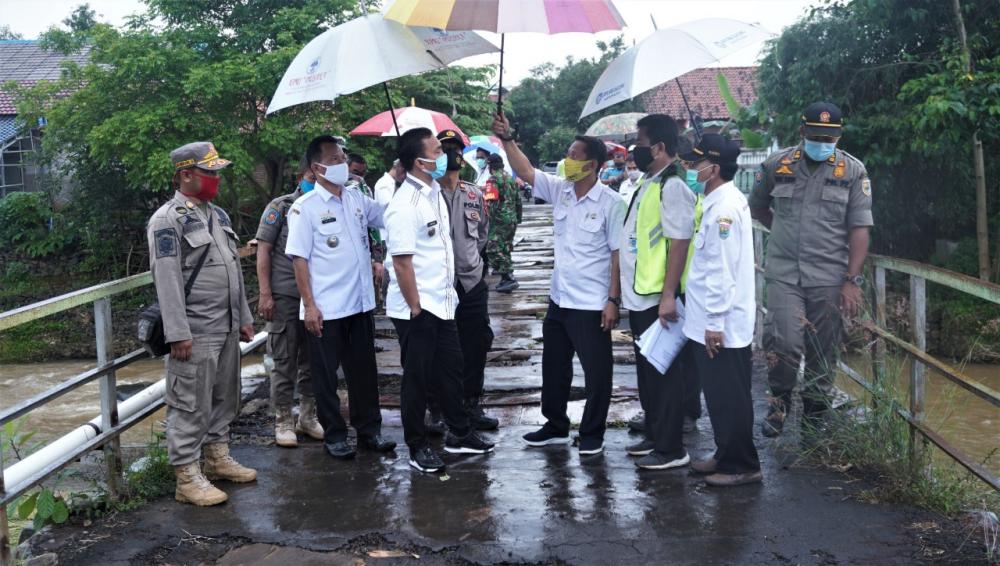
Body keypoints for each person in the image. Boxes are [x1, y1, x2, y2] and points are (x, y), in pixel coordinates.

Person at [492, 113, 626, 456]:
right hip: (559, 299)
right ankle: (555, 425)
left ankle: (593, 433)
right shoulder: (562, 190)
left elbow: (618, 255)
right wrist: (507, 139)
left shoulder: (612, 203)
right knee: (554, 367)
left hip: (591, 304)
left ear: (592, 164)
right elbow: (526, 172)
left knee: (597, 373)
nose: (568, 160)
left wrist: (613, 300)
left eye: (573, 155)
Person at [749, 102, 873, 437]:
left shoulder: (852, 171)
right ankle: (779, 404)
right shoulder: (776, 165)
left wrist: (852, 280)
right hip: (784, 272)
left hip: (830, 275)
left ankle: (815, 416)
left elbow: (860, 228)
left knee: (823, 348)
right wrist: (781, 232)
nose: (822, 142)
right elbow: (757, 206)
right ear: (802, 131)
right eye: (816, 136)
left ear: (839, 136)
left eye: (829, 138)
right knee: (784, 341)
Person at [147, 141, 257, 506]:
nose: (216, 178)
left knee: (225, 396)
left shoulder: (218, 215)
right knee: (189, 404)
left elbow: (233, 270)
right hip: (195, 329)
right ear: (185, 175)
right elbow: (166, 279)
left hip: (226, 325)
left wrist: (244, 317)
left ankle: (217, 457)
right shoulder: (167, 220)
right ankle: (186, 477)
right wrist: (177, 333)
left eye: (216, 171)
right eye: (209, 172)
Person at [384, 127, 495, 473]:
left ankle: (459, 434)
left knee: (452, 369)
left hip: (444, 302)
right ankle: (417, 446)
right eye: (437, 150)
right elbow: (401, 263)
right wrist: (416, 308)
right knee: (417, 378)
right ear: (420, 162)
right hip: (418, 308)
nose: (444, 155)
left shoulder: (433, 194)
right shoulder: (405, 204)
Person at [285, 135, 396, 460]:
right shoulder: (305, 208)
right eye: (334, 160)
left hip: (360, 304)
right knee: (326, 377)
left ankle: (369, 431)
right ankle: (334, 435)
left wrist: (405, 181)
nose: (342, 164)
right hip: (327, 308)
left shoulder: (356, 198)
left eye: (342, 158)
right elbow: (299, 260)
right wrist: (310, 306)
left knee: (364, 372)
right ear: (317, 168)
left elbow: (388, 215)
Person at [679, 134, 762, 487]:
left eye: (695, 163)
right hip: (712, 319)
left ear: (712, 169)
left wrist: (714, 322)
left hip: (720, 324)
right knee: (719, 394)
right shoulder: (715, 201)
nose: (690, 168)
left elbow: (721, 270)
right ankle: (725, 453)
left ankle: (741, 465)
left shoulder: (723, 209)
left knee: (729, 395)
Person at [619, 114, 697, 471]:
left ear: (660, 147)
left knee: (664, 374)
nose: (635, 149)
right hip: (642, 294)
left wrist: (668, 295)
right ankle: (654, 434)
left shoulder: (673, 186)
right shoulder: (650, 182)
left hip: (658, 298)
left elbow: (680, 242)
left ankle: (671, 448)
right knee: (649, 373)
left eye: (640, 142)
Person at [256, 159, 323, 448]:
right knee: (284, 360)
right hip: (286, 296)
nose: (315, 182)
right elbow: (263, 251)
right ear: (300, 177)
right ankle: (283, 419)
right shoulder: (281, 207)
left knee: (314, 360)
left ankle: (307, 416)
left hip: (318, 297)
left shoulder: (327, 206)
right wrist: (265, 294)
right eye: (311, 177)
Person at [437, 129, 500, 431]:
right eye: (445, 148)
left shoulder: (474, 193)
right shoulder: (427, 194)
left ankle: (471, 404)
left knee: (476, 345)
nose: (452, 153)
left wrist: (473, 264)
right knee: (440, 350)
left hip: (472, 282)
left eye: (456, 148)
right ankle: (438, 408)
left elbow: (482, 235)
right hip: (439, 286)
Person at [346, 152, 388, 308]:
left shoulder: (365, 190)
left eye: (363, 173)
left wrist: (378, 259)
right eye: (355, 172)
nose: (359, 177)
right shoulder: (338, 189)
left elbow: (374, 228)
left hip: (365, 255)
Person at [485, 153, 522, 293]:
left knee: (493, 249)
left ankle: (508, 277)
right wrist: (518, 218)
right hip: (512, 219)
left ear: (490, 166)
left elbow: (491, 202)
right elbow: (518, 200)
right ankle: (506, 278)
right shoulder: (510, 178)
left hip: (499, 220)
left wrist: (488, 220)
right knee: (505, 247)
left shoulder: (493, 179)